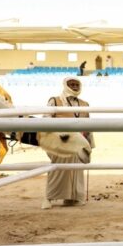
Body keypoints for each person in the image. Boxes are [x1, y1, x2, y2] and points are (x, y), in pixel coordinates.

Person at [42, 77, 95, 209]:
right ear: (65, 85)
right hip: (59, 143)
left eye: (77, 84)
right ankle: (49, 197)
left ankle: (73, 198)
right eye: (71, 84)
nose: (75, 86)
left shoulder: (85, 104)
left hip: (78, 143)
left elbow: (89, 127)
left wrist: (89, 145)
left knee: (76, 170)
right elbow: (46, 120)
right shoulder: (55, 101)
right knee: (58, 170)